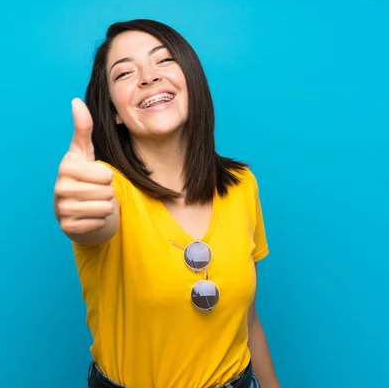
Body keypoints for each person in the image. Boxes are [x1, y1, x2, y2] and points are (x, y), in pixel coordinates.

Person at [54, 19, 280, 388]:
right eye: (124, 73)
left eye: (164, 61)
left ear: (191, 81)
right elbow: (94, 221)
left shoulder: (242, 185)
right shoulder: (109, 191)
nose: (147, 77)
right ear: (112, 111)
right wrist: (78, 208)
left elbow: (248, 320)